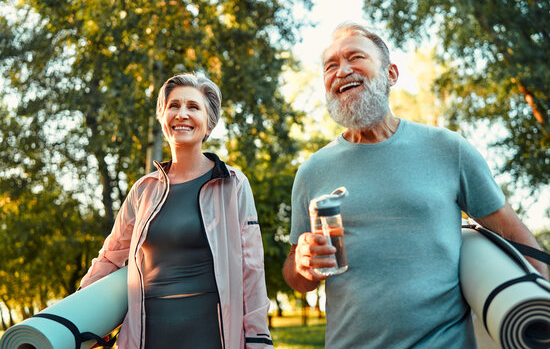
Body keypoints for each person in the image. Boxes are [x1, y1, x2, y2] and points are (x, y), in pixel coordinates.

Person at [283, 22, 548, 348]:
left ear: (391, 74)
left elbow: (512, 232)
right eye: (331, 65)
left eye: (355, 57)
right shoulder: (312, 171)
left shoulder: (449, 148)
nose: (342, 70)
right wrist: (303, 267)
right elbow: (297, 277)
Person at [80, 73, 273, 348]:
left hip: (211, 336)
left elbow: (252, 270)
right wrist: (75, 312)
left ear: (209, 123)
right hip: (148, 336)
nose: (182, 114)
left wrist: (258, 341)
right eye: (174, 106)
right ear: (163, 117)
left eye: (193, 107)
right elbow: (110, 258)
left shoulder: (233, 185)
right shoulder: (143, 190)